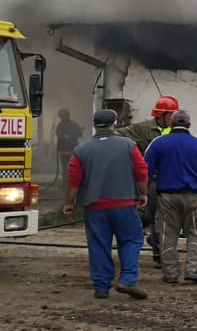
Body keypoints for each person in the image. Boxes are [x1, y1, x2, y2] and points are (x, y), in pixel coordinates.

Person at [63, 109, 149, 300]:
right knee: (131, 240)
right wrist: (143, 193)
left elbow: (74, 179)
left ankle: (101, 287)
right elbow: (141, 171)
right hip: (124, 204)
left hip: (95, 207)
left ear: (94, 125)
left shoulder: (81, 150)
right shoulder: (128, 145)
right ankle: (127, 280)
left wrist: (69, 203)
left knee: (98, 244)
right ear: (114, 124)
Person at [145, 110, 197, 285]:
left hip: (167, 196)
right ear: (189, 125)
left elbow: (146, 170)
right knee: (195, 233)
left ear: (171, 124)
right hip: (194, 195)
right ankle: (194, 270)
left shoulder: (158, 143)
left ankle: (170, 273)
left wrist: (143, 193)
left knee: (167, 234)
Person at [120, 95, 181, 268]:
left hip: (171, 181)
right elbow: (119, 135)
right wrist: (135, 158)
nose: (173, 118)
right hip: (151, 182)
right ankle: (155, 252)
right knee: (152, 217)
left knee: (168, 218)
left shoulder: (176, 130)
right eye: (171, 114)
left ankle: (157, 246)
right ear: (161, 115)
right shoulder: (143, 129)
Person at [53, 108, 83, 187]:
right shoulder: (72, 124)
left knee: (66, 168)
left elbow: (59, 134)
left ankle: (66, 185)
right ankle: (69, 185)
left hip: (66, 150)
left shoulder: (61, 125)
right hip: (71, 150)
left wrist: (68, 136)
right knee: (70, 168)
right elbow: (79, 133)